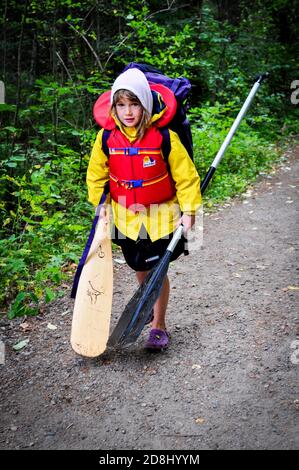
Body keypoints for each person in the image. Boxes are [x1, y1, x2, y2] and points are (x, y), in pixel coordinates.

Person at [87, 68, 201, 351]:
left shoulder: (164, 138)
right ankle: (147, 300)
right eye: (121, 104)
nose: (127, 111)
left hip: (160, 218)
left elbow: (186, 177)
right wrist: (100, 207)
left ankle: (158, 326)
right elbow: (96, 176)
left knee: (156, 270)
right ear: (114, 106)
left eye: (134, 103)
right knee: (140, 267)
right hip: (125, 219)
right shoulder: (105, 139)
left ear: (145, 104)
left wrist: (189, 211)